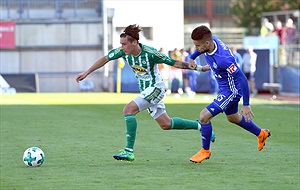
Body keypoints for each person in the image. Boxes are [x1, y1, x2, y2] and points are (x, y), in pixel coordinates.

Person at [76, 24, 215, 162]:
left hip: (156, 88)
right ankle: (200, 126)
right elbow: (105, 58)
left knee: (128, 110)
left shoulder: (151, 53)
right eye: (121, 44)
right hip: (145, 90)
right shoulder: (123, 52)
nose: (122, 47)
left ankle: (129, 151)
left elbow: (174, 63)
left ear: (134, 42)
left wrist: (200, 68)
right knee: (166, 124)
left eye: (124, 44)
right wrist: (86, 72)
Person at [188, 25, 270, 163]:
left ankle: (205, 151)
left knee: (203, 117)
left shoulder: (224, 59)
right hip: (225, 88)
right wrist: (192, 58)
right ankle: (261, 133)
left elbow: (243, 78)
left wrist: (246, 104)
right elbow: (204, 51)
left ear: (207, 43)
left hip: (231, 91)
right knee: (232, 118)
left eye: (197, 46)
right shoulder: (211, 41)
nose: (196, 48)